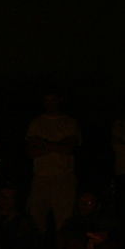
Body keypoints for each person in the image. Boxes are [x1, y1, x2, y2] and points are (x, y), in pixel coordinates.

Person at [26, 92, 81, 235]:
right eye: (47, 100)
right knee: (36, 221)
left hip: (64, 178)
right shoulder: (36, 123)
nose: (50, 103)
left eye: (53, 100)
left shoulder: (70, 122)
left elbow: (70, 148)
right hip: (40, 178)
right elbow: (32, 151)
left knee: (65, 223)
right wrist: (59, 146)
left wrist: (43, 144)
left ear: (60, 100)